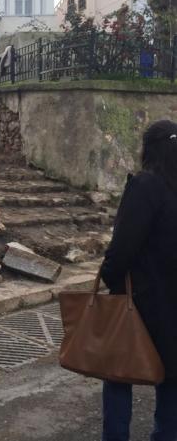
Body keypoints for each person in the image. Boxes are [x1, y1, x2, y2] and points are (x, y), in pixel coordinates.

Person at [100, 119, 177, 441]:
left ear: (148, 149)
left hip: (142, 300)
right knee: (172, 379)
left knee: (119, 373)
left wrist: (110, 277)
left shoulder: (146, 187)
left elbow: (123, 247)